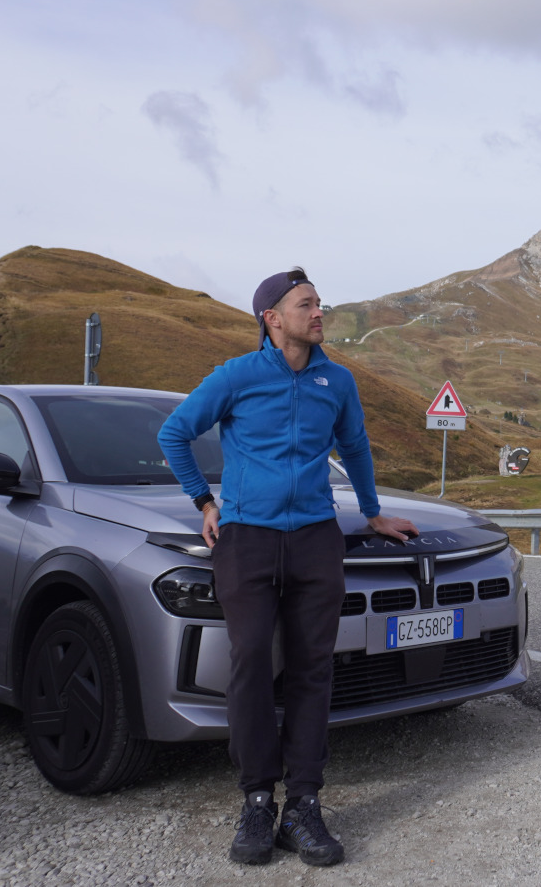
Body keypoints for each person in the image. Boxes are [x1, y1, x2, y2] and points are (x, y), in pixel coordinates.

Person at [158, 267, 419, 867]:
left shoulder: (338, 379)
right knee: (250, 665)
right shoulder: (240, 375)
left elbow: (354, 447)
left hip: (314, 539)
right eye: (306, 305)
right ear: (273, 318)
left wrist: (374, 513)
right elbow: (175, 433)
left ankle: (303, 802)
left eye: (319, 303)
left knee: (312, 669)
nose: (318, 313)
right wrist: (205, 500)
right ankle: (256, 799)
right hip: (246, 539)